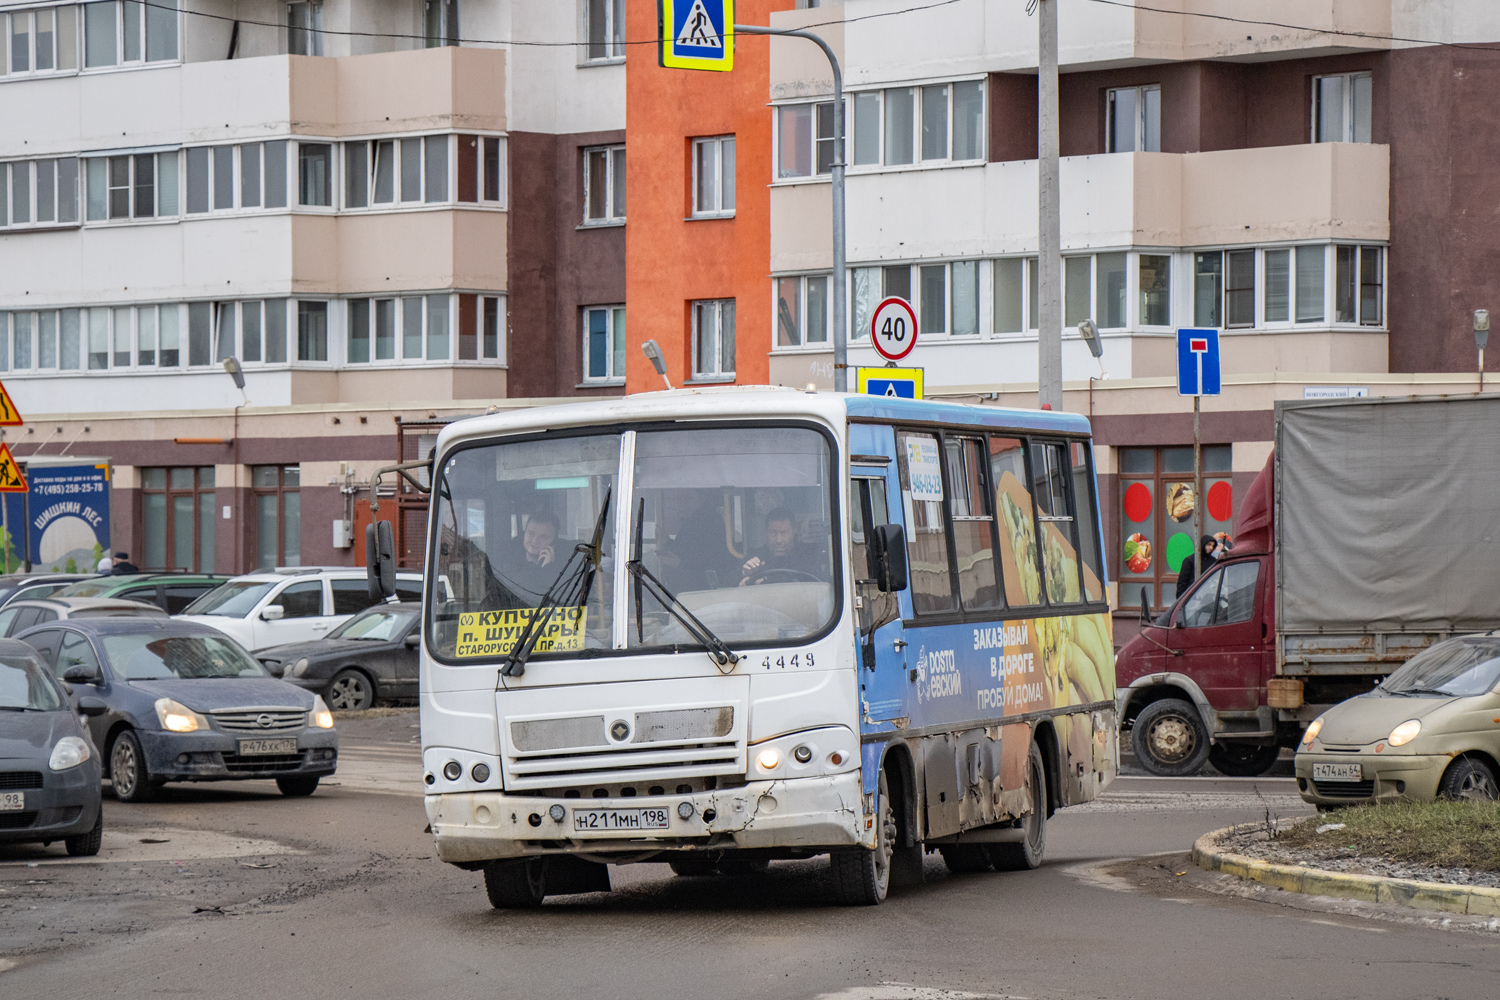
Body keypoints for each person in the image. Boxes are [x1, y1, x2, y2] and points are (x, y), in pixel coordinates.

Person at [740, 508, 823, 586]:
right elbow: (729, 582)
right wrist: (745, 573)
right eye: (773, 533)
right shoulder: (756, 557)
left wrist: (767, 579)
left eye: (784, 533)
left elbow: (810, 576)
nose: (778, 540)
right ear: (765, 533)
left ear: (794, 532)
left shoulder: (808, 554)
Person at [505, 512, 561, 600]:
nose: (535, 540)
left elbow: (564, 599)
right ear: (524, 533)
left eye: (543, 537)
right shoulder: (507, 566)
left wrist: (548, 569)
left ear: (554, 542)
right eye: (530, 533)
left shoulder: (566, 568)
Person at [1174, 535, 1218, 600]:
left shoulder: (1213, 561)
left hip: (1208, 598)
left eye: (1213, 546)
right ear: (1203, 544)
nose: (1211, 548)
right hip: (1191, 598)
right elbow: (1182, 582)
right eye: (1209, 545)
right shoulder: (1190, 560)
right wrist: (1181, 599)